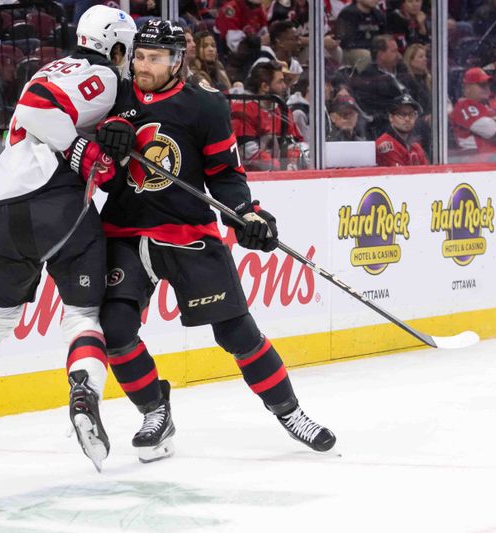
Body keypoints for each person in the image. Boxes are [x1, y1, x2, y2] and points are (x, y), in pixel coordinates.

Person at [98, 20, 335, 464]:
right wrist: (104, 148)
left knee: (236, 331)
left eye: (155, 58)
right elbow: (102, 177)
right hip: (124, 233)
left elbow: (225, 175)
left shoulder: (205, 107)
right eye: (139, 57)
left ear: (177, 60)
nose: (144, 66)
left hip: (187, 233)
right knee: (115, 330)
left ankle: (291, 412)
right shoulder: (114, 98)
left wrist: (245, 212)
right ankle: (154, 412)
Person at [0, 5, 138, 471]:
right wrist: (82, 149)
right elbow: (39, 106)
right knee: (82, 316)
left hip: (2, 204)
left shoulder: (55, 64)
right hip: (56, 202)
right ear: (115, 45)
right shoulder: (102, 73)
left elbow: (39, 103)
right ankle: (84, 397)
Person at [375, 93, 428, 166]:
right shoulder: (385, 145)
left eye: (411, 114)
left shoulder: (416, 146)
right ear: (391, 117)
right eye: (401, 114)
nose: (407, 119)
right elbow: (400, 175)